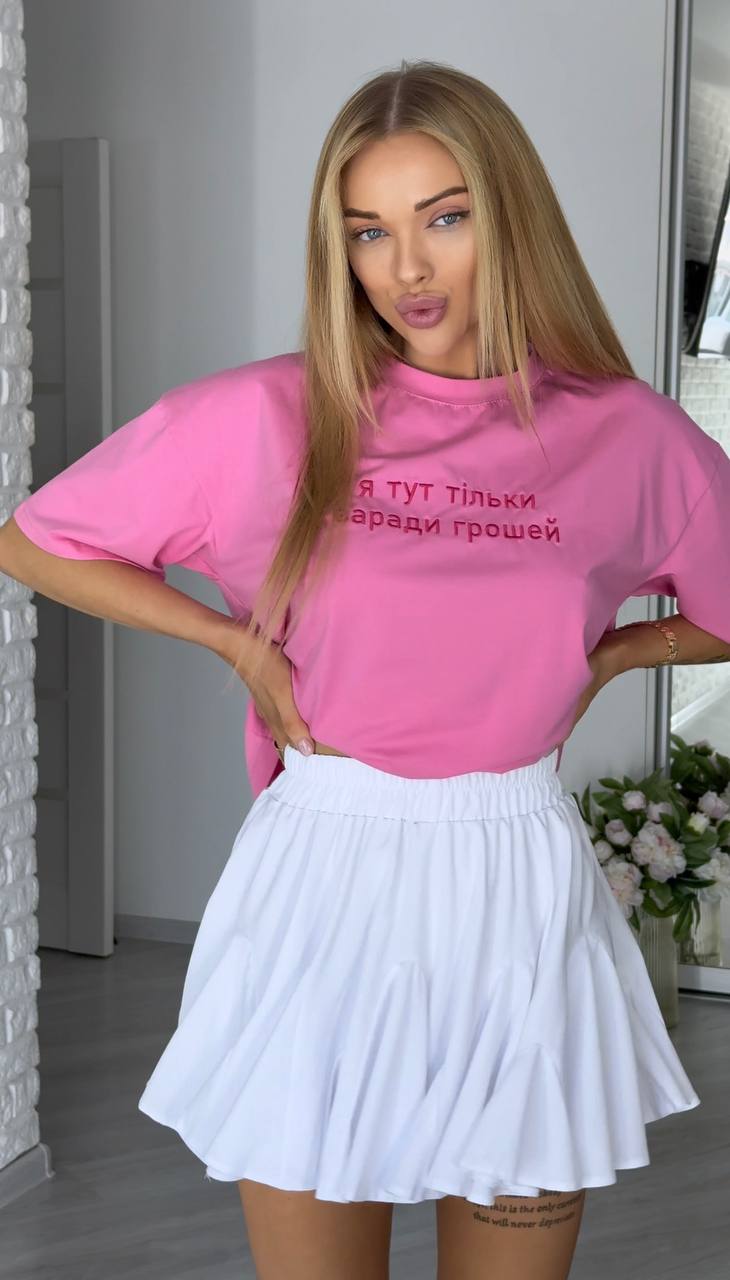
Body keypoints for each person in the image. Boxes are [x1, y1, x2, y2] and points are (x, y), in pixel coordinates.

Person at [2, 57, 727, 1280]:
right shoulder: (263, 415)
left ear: (510, 216)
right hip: (323, 880)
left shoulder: (624, 433)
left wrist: (616, 653)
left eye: (444, 218)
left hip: (518, 886)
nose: (406, 268)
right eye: (368, 231)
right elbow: (36, 538)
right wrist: (234, 639)